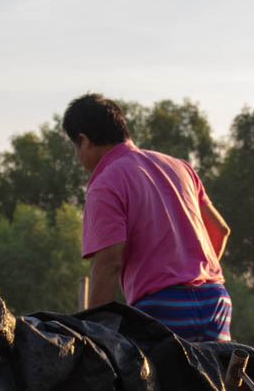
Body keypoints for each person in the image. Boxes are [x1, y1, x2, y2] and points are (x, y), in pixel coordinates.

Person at [63, 93, 233, 342]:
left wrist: (93, 337)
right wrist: (190, 274)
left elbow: (109, 263)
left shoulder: (106, 182)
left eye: (75, 148)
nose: (77, 157)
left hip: (162, 308)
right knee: (209, 380)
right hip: (215, 302)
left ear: (84, 140)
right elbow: (220, 231)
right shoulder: (179, 167)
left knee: (157, 381)